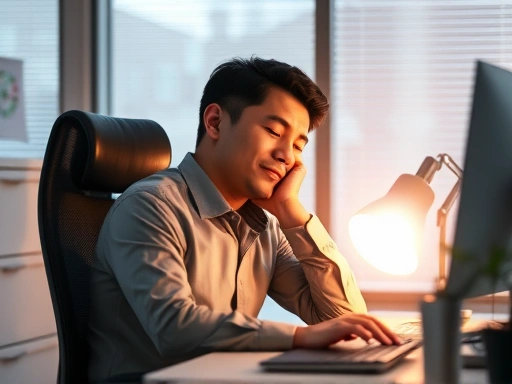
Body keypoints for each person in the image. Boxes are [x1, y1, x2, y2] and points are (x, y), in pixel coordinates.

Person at [88, 57, 401, 382]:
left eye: (297, 145)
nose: (287, 156)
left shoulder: (266, 228)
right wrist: (298, 337)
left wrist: (293, 214)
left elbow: (342, 317)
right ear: (215, 123)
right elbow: (173, 327)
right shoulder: (151, 206)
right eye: (273, 131)